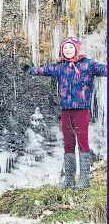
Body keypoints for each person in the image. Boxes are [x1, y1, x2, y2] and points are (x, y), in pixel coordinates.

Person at [22, 36, 107, 188]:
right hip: (65, 110)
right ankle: (69, 179)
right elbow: (44, 70)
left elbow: (104, 69)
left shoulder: (88, 65)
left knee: (82, 142)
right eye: (65, 48)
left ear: (76, 48)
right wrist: (30, 70)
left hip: (81, 109)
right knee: (68, 143)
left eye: (70, 47)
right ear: (62, 50)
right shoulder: (60, 67)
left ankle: (84, 180)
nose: (67, 50)